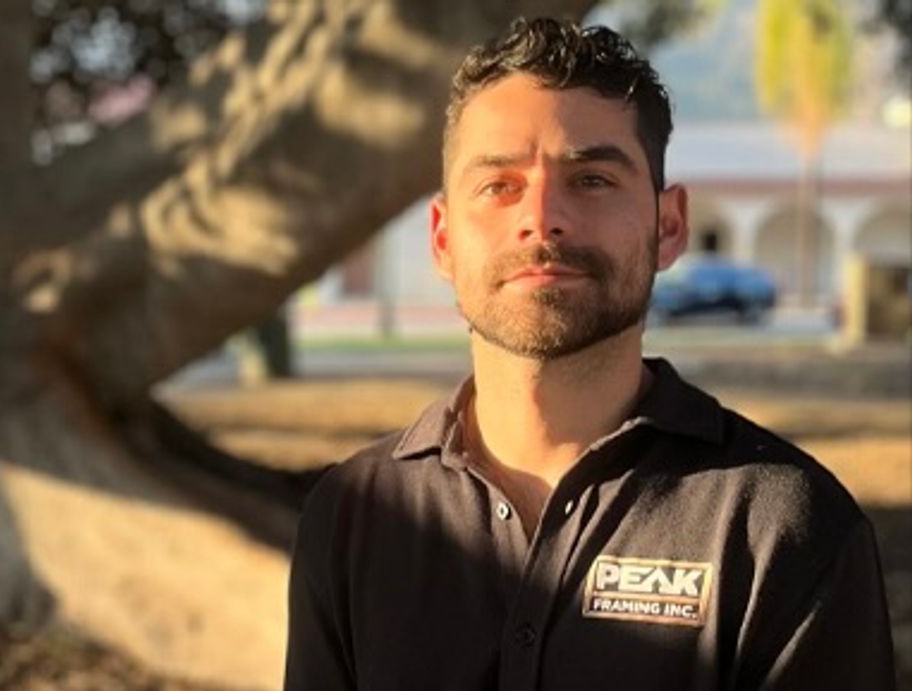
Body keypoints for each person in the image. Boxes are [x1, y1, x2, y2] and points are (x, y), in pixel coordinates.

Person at [284, 17, 896, 691]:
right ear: (442, 238)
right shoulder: (352, 514)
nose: (542, 216)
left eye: (593, 179)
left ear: (669, 227)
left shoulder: (782, 526)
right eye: (499, 185)